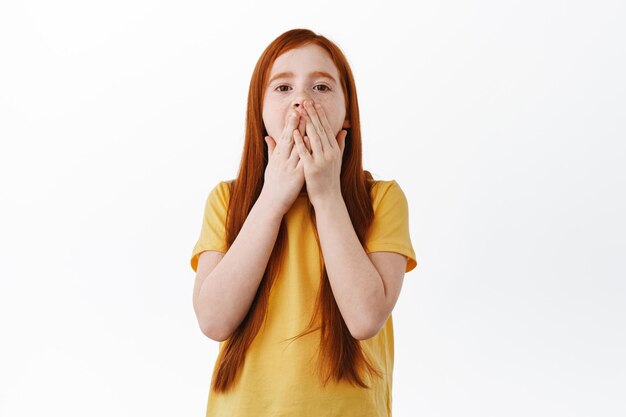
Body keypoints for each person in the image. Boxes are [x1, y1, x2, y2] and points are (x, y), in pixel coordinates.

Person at [189, 28, 418, 417]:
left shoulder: (382, 199)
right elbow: (212, 320)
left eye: (321, 88)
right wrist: (272, 199)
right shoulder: (227, 202)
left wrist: (326, 194)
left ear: (348, 112)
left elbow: (365, 318)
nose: (301, 101)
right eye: (282, 88)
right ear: (259, 113)